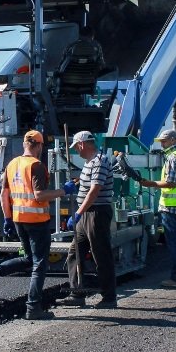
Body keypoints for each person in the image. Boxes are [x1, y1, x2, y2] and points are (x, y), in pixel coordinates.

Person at [0, 130, 77, 320]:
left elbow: (3, 195)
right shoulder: (36, 165)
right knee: (40, 263)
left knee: (30, 259)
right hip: (37, 221)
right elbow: (39, 195)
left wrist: (7, 218)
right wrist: (63, 190)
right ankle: (33, 307)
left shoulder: (12, 164)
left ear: (25, 144)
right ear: (38, 146)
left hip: (18, 219)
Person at [59, 130, 118, 309]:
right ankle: (77, 293)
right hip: (87, 213)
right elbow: (89, 186)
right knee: (74, 252)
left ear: (83, 144)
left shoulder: (99, 161)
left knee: (101, 254)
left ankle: (109, 297)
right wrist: (78, 183)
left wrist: (78, 213)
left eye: (77, 147)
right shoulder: (89, 163)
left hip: (96, 213)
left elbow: (95, 190)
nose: (76, 151)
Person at [139, 129, 176, 288]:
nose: (162, 144)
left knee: (175, 244)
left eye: (164, 141)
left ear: (173, 140)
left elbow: (171, 182)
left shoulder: (173, 157)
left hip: (172, 207)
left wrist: (150, 184)